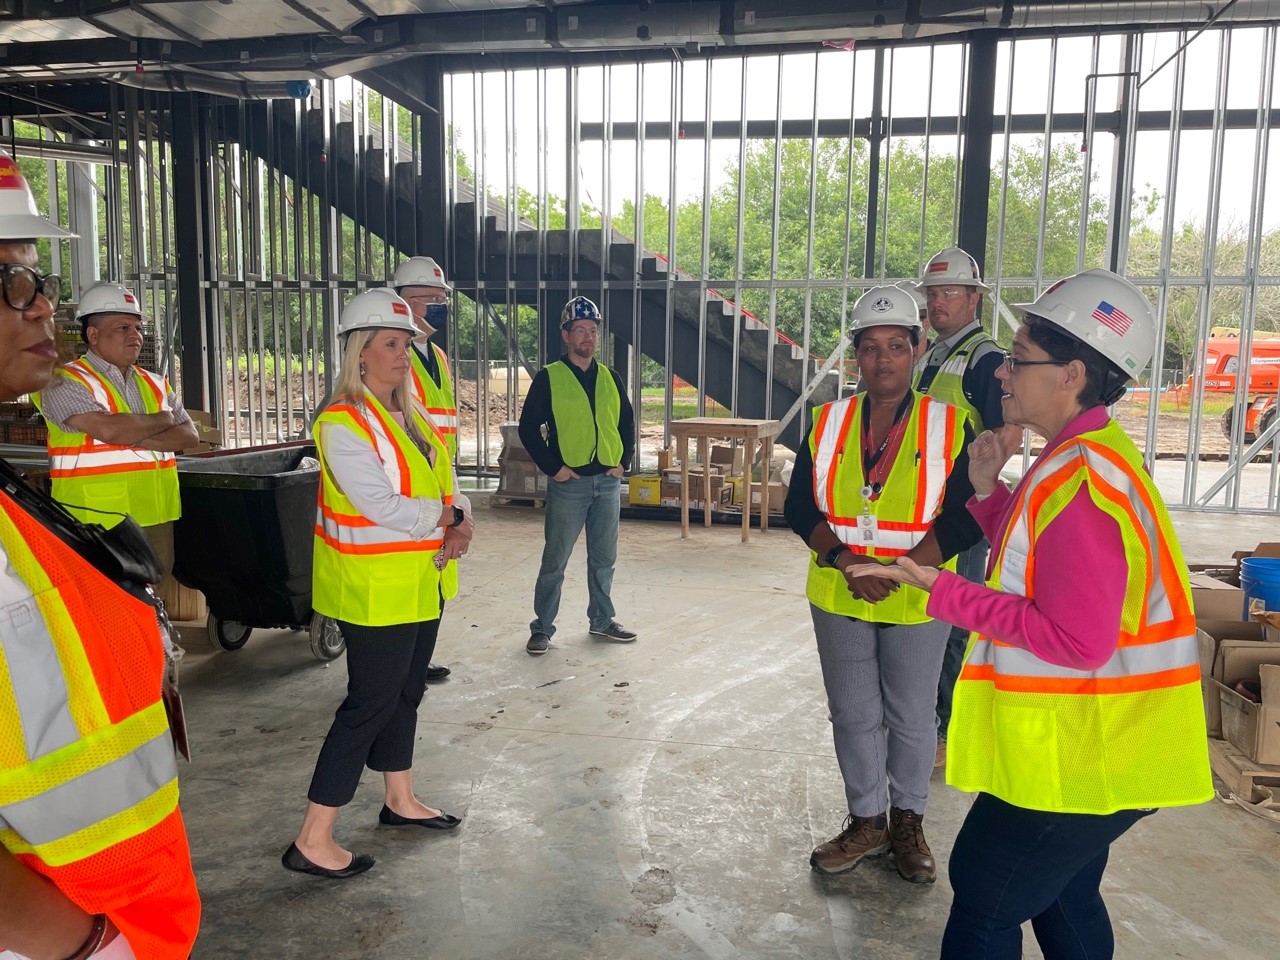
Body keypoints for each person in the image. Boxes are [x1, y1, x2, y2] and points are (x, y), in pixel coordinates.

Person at [853, 270, 1213, 958]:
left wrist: (938, 588)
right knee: (1058, 891)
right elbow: (1045, 559)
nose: (1005, 374)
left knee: (985, 894)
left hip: (1092, 744)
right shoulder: (1085, 454)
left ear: (1073, 372)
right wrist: (988, 495)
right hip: (1099, 740)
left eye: (1019, 359)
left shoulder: (1080, 479)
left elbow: (1074, 639)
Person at [0, 151, 200, 959]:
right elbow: (112, 431)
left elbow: (179, 432)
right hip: (72, 927)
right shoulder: (67, 383)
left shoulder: (148, 383)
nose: (39, 304)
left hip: (141, 528)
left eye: (38, 280)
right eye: (14, 281)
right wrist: (77, 944)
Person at [783, 285, 980, 884]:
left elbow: (967, 515)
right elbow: (798, 507)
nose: (884, 359)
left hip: (917, 596)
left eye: (897, 346)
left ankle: (907, 824)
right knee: (853, 713)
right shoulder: (827, 421)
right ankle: (867, 820)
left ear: (917, 349)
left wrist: (902, 568)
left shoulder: (951, 425)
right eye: (870, 348)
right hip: (841, 593)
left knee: (913, 715)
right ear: (855, 357)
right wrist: (845, 560)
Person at [284, 288, 471, 880]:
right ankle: (312, 837)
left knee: (406, 694)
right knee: (368, 705)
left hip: (422, 582)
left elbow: (446, 483)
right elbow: (379, 504)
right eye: (390, 343)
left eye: (407, 342)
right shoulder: (342, 421)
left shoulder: (410, 417)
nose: (402, 352)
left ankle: (400, 799)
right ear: (358, 353)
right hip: (374, 588)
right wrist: (450, 520)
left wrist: (461, 517)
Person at [34, 281, 198, 580]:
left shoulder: (155, 381)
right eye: (123, 328)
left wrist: (130, 432)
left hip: (157, 514)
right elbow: (108, 429)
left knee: (152, 598)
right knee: (102, 598)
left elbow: (189, 436)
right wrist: (163, 419)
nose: (135, 336)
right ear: (93, 335)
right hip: (94, 519)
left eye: (138, 328)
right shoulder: (63, 380)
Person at [913, 246, 1005, 769]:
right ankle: (924, 717)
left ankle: (949, 729)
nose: (937, 302)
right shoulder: (933, 353)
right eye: (931, 292)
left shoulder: (985, 360)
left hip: (963, 516)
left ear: (973, 298)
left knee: (956, 618)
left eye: (948, 293)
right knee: (930, 612)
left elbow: (1006, 433)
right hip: (928, 508)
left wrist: (981, 492)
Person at [519, 295, 637, 655]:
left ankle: (602, 621)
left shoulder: (610, 377)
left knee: (604, 559)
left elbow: (626, 422)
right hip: (570, 486)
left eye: (593, 331)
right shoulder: (549, 378)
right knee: (555, 559)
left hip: (608, 482)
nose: (588, 337)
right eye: (580, 331)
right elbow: (528, 428)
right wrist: (555, 468)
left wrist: (624, 462)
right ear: (566, 335)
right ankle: (542, 627)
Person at [392, 255, 469, 684]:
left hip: (440, 479)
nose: (435, 306)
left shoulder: (436, 354)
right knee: (412, 574)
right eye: (427, 297)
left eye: (440, 299)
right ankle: (402, 665)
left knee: (436, 572)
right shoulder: (396, 354)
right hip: (410, 481)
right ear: (402, 301)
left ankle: (417, 661)